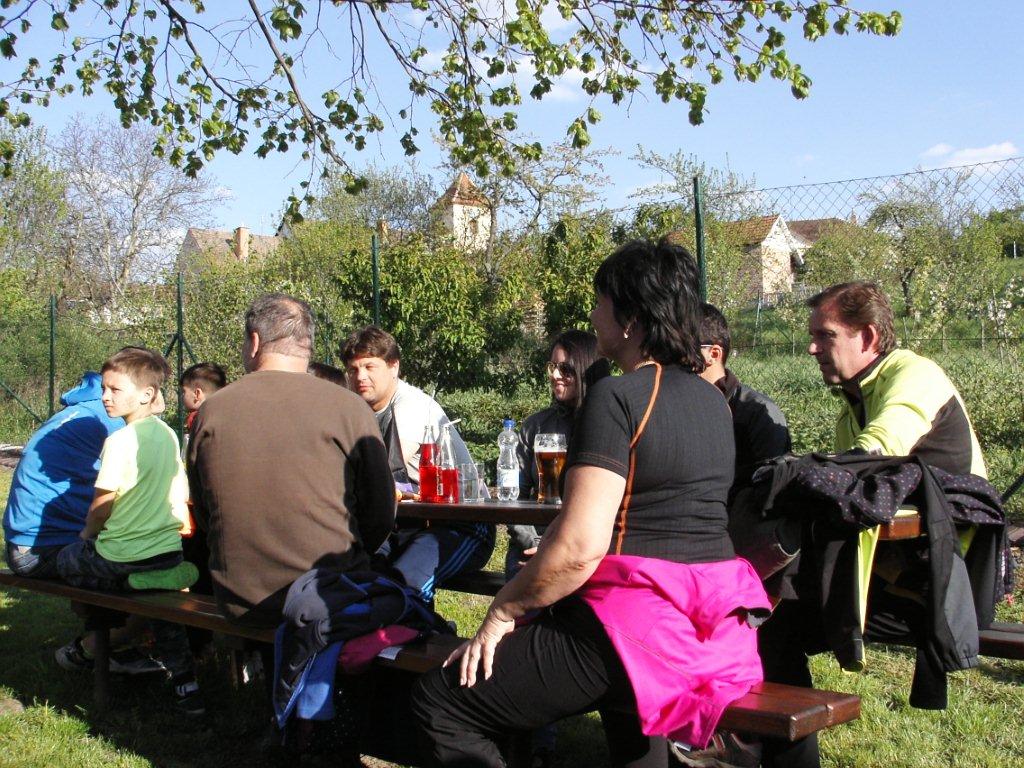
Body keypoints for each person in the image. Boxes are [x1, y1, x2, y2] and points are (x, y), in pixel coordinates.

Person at [412, 239, 771, 768]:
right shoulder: (713, 401)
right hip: (715, 632)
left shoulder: (618, 396)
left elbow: (581, 548)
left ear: (630, 320)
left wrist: (503, 609)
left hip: (636, 627)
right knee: (625, 715)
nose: (593, 315)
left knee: (442, 701)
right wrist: (552, 560)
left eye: (600, 302)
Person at [752, 280, 987, 768]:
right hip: (891, 577)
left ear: (870, 337)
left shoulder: (915, 375)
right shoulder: (852, 406)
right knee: (765, 616)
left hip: (944, 584)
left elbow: (878, 449)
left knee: (769, 617)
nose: (812, 348)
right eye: (812, 336)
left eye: (825, 335)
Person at [186, 294, 396, 628]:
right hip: (330, 597)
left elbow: (204, 510)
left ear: (255, 342)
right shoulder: (349, 407)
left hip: (240, 600)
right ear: (306, 345)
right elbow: (381, 514)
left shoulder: (211, 410)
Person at [54, 347, 203, 715]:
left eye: (115, 389)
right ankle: (187, 686)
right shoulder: (168, 435)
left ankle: (111, 610)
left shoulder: (119, 441)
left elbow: (102, 507)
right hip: (166, 553)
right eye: (104, 388)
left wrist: (85, 537)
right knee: (165, 615)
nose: (105, 396)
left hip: (121, 556)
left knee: (66, 559)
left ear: (146, 394)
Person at [340, 326, 494, 602]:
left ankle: (416, 627)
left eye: (369, 366)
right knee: (357, 574)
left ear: (394, 367)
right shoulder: (360, 411)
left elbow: (380, 477)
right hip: (406, 525)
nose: (360, 376)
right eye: (353, 369)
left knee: (404, 584)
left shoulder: (410, 404)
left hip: (463, 525)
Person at [4, 371, 124, 578]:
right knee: (148, 558)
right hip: (40, 550)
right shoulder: (109, 417)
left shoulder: (81, 410)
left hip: (23, 544)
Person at [509, 330, 609, 575]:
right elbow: (513, 496)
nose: (555, 375)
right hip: (532, 543)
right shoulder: (535, 426)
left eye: (565, 369)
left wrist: (563, 550)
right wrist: (533, 542)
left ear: (585, 370)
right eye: (553, 367)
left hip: (588, 548)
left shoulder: (609, 424)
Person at [698, 303, 791, 492]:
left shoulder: (758, 413)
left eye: (680, 349)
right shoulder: (670, 405)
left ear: (713, 354)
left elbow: (771, 490)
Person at [179, 362, 227, 440]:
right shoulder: (229, 415)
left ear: (197, 394)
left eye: (184, 392)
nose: (181, 396)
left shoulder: (197, 420)